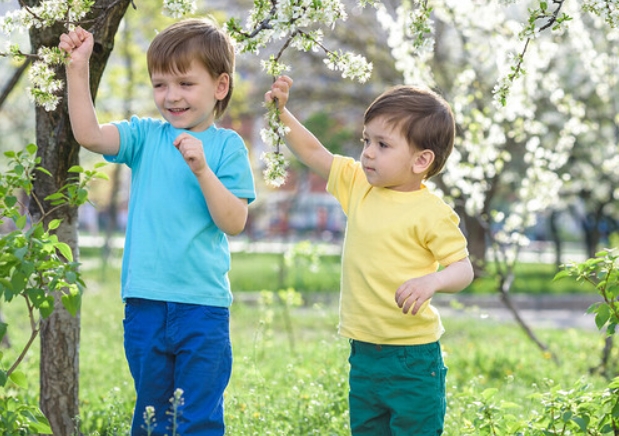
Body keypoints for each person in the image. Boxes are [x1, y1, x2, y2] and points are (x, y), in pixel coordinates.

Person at [59, 18, 256, 436]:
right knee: (151, 417)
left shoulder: (227, 147)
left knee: (197, 419)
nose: (171, 96)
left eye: (185, 84)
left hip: (202, 308)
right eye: (160, 84)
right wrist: (77, 68)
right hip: (145, 304)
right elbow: (89, 135)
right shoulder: (145, 136)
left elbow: (234, 221)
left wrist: (202, 169)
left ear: (220, 86)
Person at [266, 76, 474, 435]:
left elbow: (463, 268)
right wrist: (281, 113)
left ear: (421, 160)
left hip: (413, 357)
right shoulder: (359, 184)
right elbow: (315, 152)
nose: (368, 152)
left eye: (382, 144)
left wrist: (433, 280)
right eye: (366, 140)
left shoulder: (430, 211)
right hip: (363, 352)